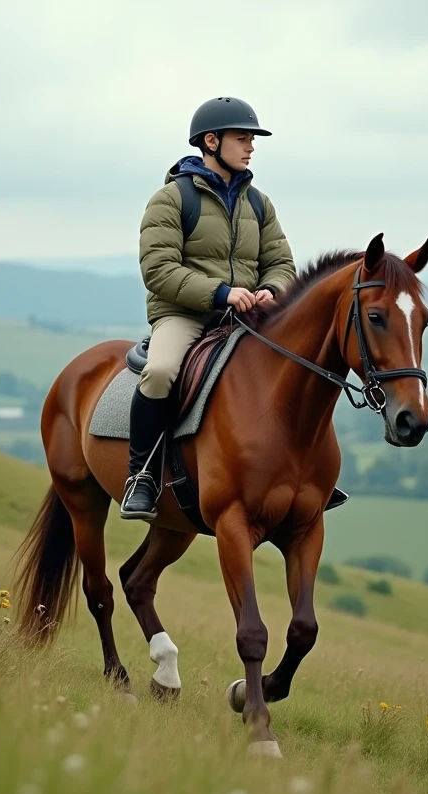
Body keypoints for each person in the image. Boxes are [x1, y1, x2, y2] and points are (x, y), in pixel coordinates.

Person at [120, 96, 297, 520]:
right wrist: (222, 293)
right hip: (185, 313)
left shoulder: (259, 203)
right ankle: (140, 476)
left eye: (252, 139)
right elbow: (159, 270)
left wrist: (272, 290)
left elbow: (281, 263)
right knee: (161, 371)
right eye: (242, 138)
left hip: (250, 316)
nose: (251, 146)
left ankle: (302, 473)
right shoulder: (171, 199)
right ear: (211, 142)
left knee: (295, 370)